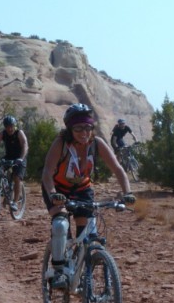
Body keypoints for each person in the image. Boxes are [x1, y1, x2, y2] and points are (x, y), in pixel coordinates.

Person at [42, 104, 135, 289]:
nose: (84, 132)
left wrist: (127, 192)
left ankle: (82, 272)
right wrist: (53, 194)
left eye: (88, 127)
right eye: (78, 128)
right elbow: (46, 172)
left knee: (87, 234)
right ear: (70, 128)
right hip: (58, 189)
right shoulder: (61, 143)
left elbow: (117, 168)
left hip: (83, 189)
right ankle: (59, 271)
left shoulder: (97, 143)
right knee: (60, 225)